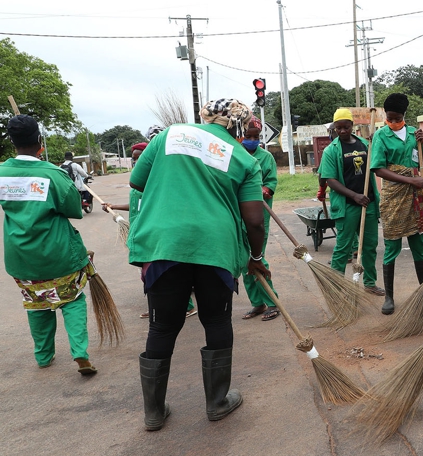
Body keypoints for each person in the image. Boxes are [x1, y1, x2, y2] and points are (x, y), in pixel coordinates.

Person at [128, 98, 269, 431]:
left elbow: (137, 181)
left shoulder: (168, 137)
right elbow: (254, 220)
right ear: (239, 125)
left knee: (162, 326)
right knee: (216, 318)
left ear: (204, 115)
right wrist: (256, 257)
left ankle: (153, 412)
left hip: (164, 245)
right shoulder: (243, 159)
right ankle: (217, 403)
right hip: (214, 246)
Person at [0, 115, 97, 374]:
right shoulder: (52, 174)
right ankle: (80, 353)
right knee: (72, 300)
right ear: (40, 142)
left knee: (37, 303)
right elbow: (75, 209)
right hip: (58, 253)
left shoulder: (2, 172)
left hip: (20, 256)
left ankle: (43, 357)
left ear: (12, 142)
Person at [104, 142, 197, 319]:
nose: (137, 162)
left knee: (165, 273)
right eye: (134, 159)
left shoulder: (157, 182)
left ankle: (187, 306)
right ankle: (155, 307)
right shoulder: (137, 181)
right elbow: (134, 206)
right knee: (146, 274)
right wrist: (113, 206)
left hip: (154, 234)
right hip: (140, 234)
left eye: (141, 158)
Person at [370, 93, 423, 315]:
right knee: (392, 246)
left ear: (404, 115)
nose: (393, 122)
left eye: (397, 118)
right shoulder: (381, 136)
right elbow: (377, 167)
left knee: (419, 246)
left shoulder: (415, 133)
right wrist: (409, 180)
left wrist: (421, 143)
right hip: (393, 196)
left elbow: (421, 160)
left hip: (415, 196)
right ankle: (389, 297)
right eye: (389, 118)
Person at [319, 108, 383, 295]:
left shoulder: (364, 144)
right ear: (334, 128)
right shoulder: (331, 151)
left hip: (368, 203)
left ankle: (370, 283)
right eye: (338, 128)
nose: (342, 131)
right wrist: (354, 196)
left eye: (346, 127)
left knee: (369, 246)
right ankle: (337, 286)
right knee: (343, 247)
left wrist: (374, 142)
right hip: (348, 206)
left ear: (352, 126)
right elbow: (330, 180)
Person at [239, 117, 281, 321]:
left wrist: (266, 188)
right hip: (238, 215)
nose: (252, 140)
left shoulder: (266, 157)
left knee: (257, 258)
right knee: (244, 260)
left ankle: (273, 302)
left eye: (256, 137)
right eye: (249, 137)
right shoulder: (235, 155)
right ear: (241, 136)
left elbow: (271, 181)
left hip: (259, 215)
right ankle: (257, 303)